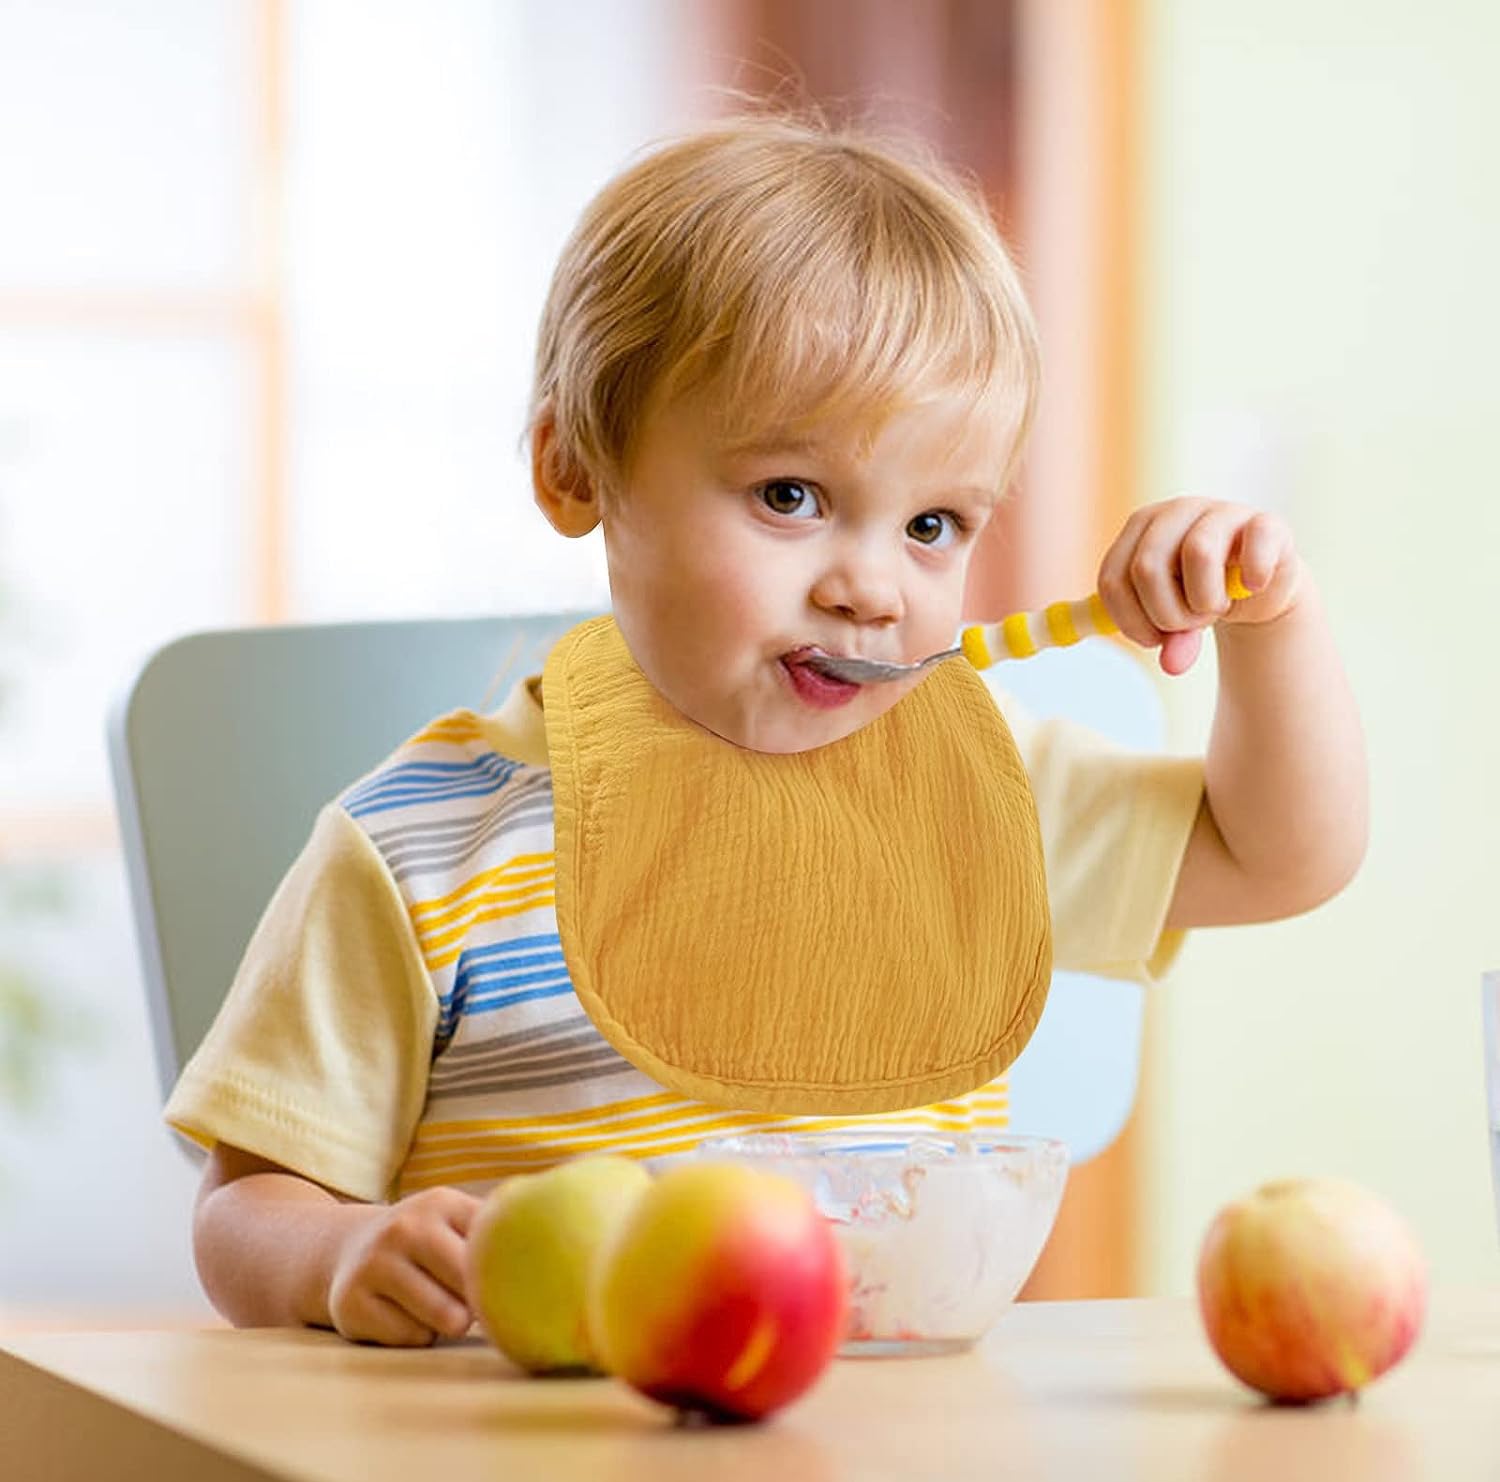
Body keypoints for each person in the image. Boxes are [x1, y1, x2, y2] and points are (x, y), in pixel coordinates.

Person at [167, 115, 1366, 1347]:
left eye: (935, 526)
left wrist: (1271, 623)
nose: (873, 588)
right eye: (791, 497)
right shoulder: (419, 849)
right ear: (577, 471)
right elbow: (244, 1209)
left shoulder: (986, 786)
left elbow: (1279, 854)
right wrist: (337, 1255)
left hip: (896, 1438)